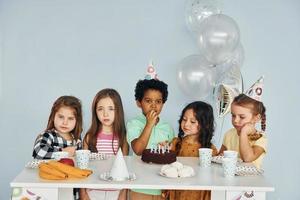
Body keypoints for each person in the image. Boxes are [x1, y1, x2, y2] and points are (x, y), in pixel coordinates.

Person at [127, 65, 175, 200]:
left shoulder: (167, 127)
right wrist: (149, 124)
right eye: (148, 101)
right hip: (139, 187)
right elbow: (137, 149)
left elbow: (172, 154)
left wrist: (168, 147)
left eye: (158, 101)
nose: (154, 105)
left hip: (162, 187)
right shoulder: (134, 124)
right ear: (139, 103)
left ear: (163, 104)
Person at [80, 88, 129, 200]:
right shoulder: (89, 137)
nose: (105, 114)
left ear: (118, 111)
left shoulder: (123, 138)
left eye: (111, 109)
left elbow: (124, 167)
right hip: (93, 191)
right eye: (100, 109)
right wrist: (83, 193)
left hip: (116, 192)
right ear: (95, 111)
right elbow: (83, 168)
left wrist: (123, 194)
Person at [166, 101, 218, 200]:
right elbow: (168, 165)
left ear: (205, 124)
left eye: (193, 122)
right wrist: (165, 149)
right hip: (177, 190)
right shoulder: (176, 143)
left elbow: (213, 175)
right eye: (184, 119)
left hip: (197, 193)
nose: (186, 124)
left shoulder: (209, 149)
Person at [219, 77, 267, 169]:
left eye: (242, 117)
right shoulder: (229, 134)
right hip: (230, 179)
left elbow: (248, 158)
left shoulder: (261, 139)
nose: (236, 120)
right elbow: (220, 156)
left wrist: (244, 133)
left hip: (250, 182)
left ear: (256, 118)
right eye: (233, 115)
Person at [32, 95, 83, 159]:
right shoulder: (48, 135)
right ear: (53, 117)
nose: (65, 122)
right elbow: (38, 152)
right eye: (61, 117)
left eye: (70, 118)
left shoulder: (76, 139)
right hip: (49, 168)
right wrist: (62, 152)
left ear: (77, 121)